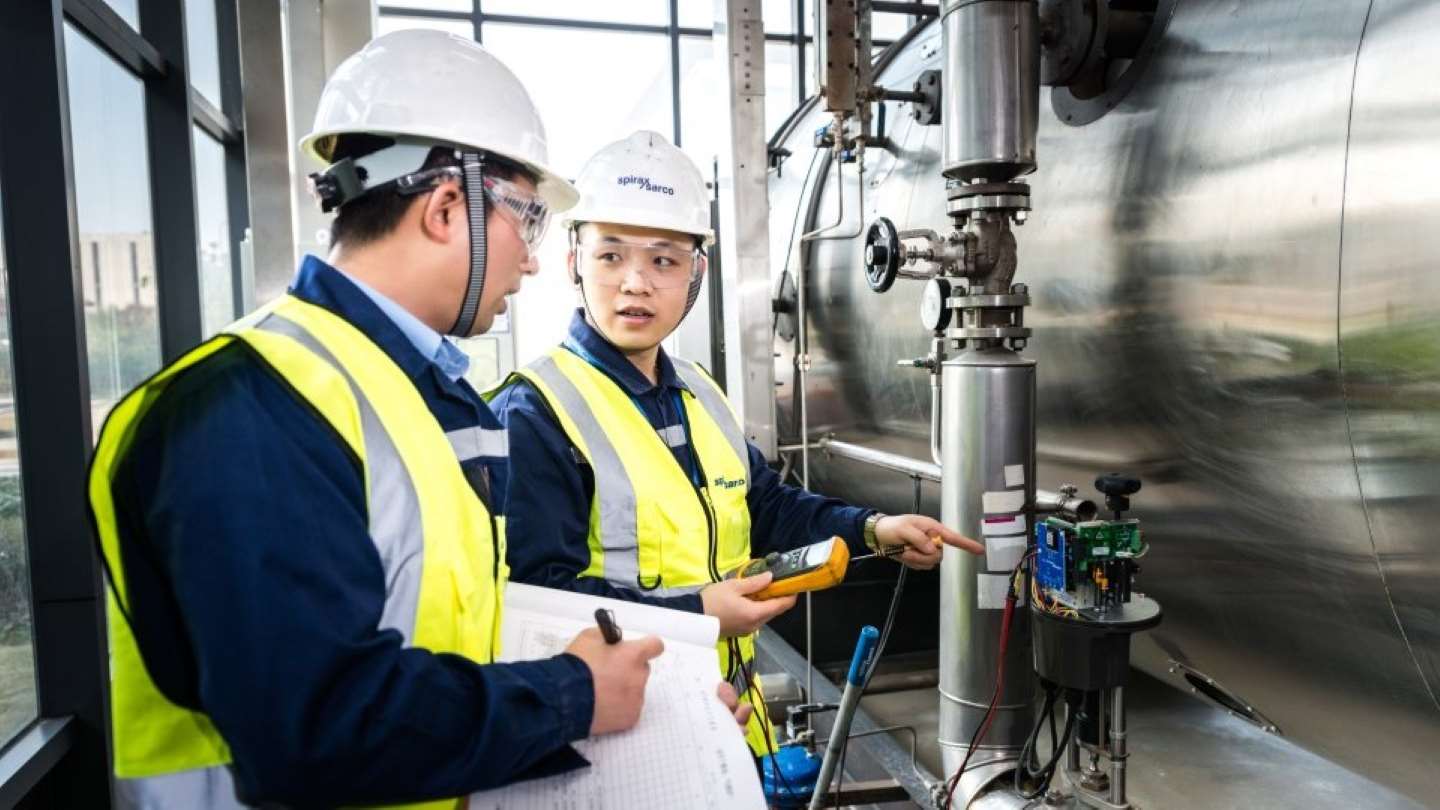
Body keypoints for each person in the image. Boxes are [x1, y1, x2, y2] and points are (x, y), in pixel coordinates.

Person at [88, 31, 676, 809]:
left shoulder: (407, 390)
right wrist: (570, 696)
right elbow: (318, 730)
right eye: (527, 223)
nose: (532, 261)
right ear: (444, 208)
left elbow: (434, 638)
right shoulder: (247, 407)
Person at [489, 130, 984, 755]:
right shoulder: (535, 412)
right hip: (617, 741)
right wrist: (698, 612)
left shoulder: (698, 390)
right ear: (573, 264)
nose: (636, 283)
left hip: (728, 722)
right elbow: (537, 606)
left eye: (664, 260)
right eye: (611, 256)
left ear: (696, 272)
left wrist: (873, 529)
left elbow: (766, 506)